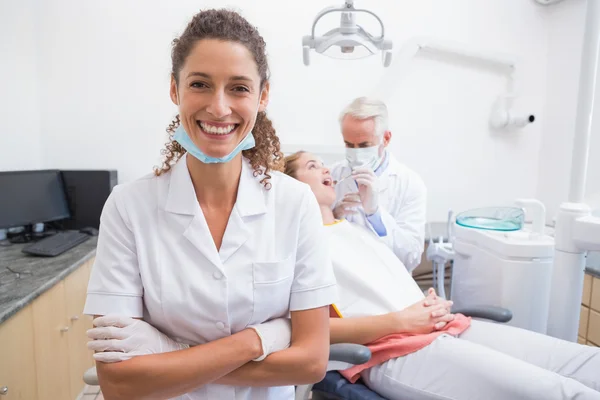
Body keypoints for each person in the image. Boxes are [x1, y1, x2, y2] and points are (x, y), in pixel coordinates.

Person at [82, 11, 337, 400]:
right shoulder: (128, 207)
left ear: (262, 96)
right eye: (200, 84)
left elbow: (311, 362)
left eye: (238, 88)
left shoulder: (294, 203)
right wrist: (261, 338)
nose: (219, 108)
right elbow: (119, 382)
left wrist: (168, 355)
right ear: (175, 90)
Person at [284, 151, 600, 400]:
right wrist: (402, 321)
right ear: (291, 186)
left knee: (585, 362)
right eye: (313, 165)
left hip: (444, 325)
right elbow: (306, 330)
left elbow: (388, 280)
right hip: (394, 350)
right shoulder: (296, 246)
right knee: (563, 393)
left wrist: (421, 301)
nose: (327, 169)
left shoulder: (353, 228)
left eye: (325, 164)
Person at [330, 97, 427, 272]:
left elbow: (410, 258)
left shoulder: (410, 184)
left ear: (386, 138)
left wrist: (375, 214)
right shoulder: (333, 175)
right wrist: (334, 215)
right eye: (348, 144)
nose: (356, 153)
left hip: (390, 284)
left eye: (364, 145)